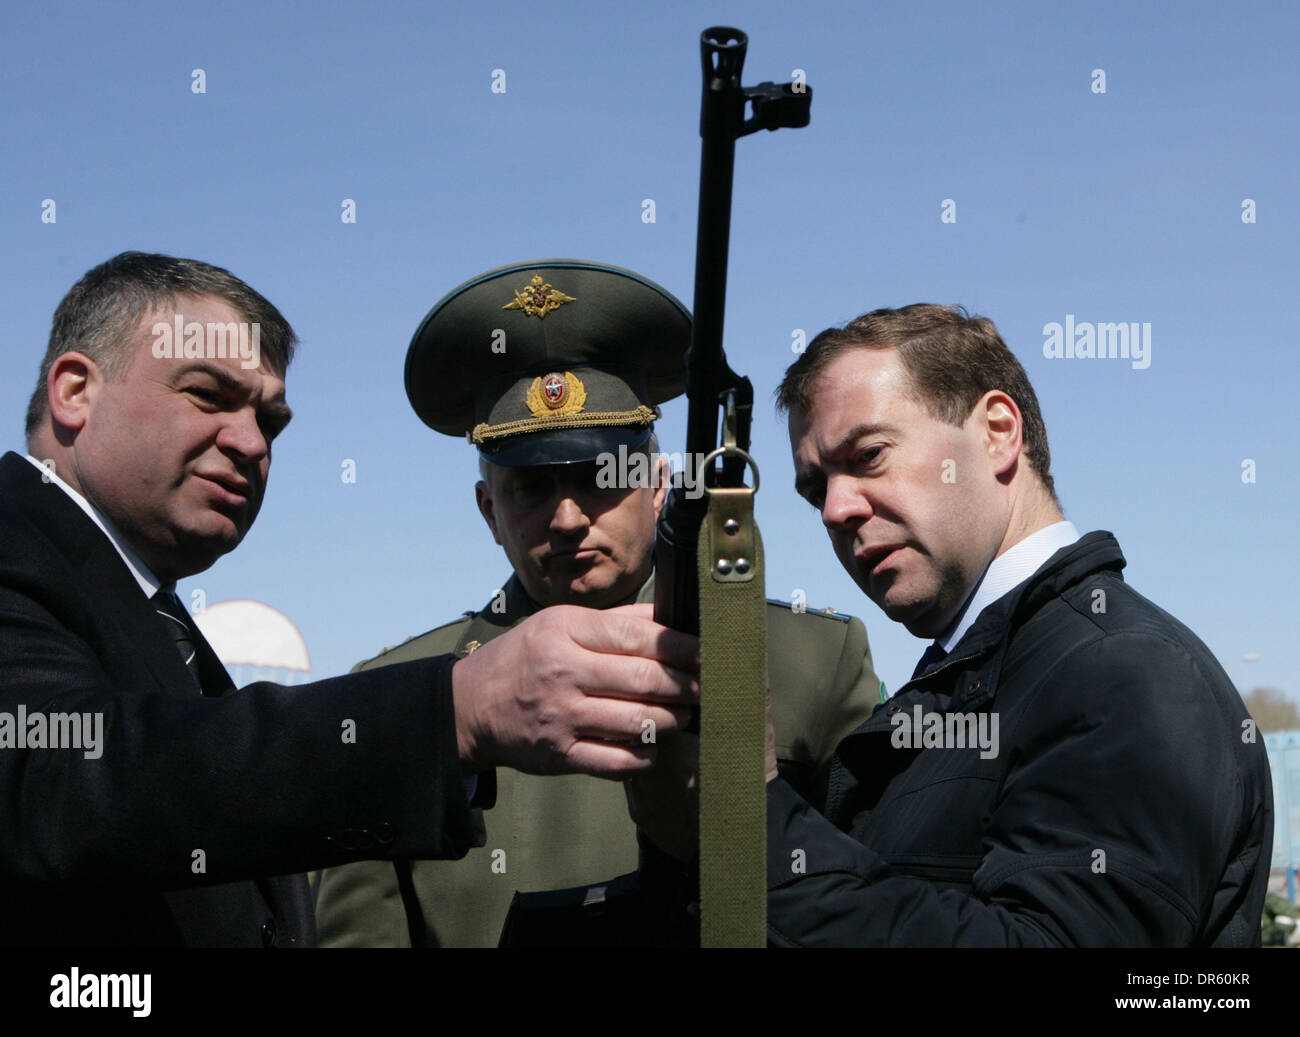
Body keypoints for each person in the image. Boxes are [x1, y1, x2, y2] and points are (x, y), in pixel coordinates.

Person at [0, 251, 697, 947]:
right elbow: (60, 777)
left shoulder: (146, 612)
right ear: (75, 392)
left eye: (270, 421)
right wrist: (455, 711)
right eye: (208, 394)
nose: (249, 443)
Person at [314, 259, 882, 947]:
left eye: (597, 476)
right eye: (529, 487)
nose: (566, 518)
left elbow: (876, 911)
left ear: (659, 484)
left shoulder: (813, 661)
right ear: (488, 509)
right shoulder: (400, 700)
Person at [747, 303, 1272, 945]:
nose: (834, 509)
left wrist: (750, 815)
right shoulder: (978, 676)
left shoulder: (1125, 673)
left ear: (998, 431)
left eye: (869, 456)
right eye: (814, 488)